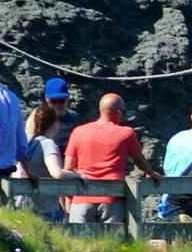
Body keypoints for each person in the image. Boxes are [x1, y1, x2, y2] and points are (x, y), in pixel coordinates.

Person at [59, 89, 141, 224]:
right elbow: (139, 160)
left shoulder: (79, 132)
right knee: (111, 241)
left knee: (79, 241)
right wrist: (151, 173)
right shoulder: (126, 133)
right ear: (118, 112)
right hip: (112, 197)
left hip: (82, 196)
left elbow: (68, 169)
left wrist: (68, 197)